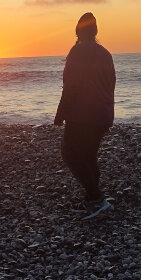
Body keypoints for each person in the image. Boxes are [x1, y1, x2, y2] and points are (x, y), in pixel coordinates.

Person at [54, 12, 116, 218]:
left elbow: (71, 86)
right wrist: (108, 116)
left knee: (71, 154)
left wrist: (61, 113)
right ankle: (92, 200)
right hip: (102, 114)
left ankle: (97, 198)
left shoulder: (77, 51)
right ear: (96, 31)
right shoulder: (105, 53)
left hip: (82, 115)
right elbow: (111, 86)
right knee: (88, 156)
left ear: (78, 31)